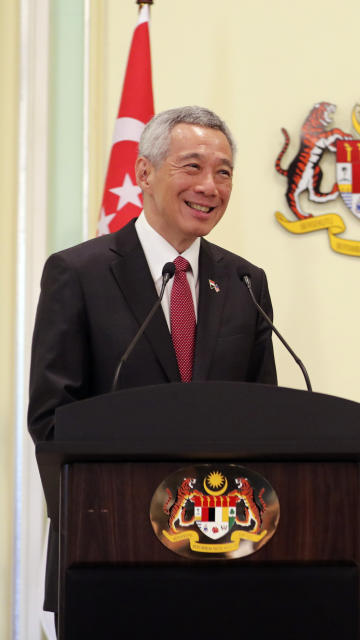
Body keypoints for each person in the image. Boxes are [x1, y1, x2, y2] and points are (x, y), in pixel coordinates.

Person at [27, 105, 277, 613]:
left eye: (224, 172)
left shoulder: (245, 282)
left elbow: (265, 418)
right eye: (192, 166)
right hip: (108, 550)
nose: (210, 185)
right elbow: (52, 419)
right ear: (144, 171)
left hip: (226, 555)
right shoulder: (79, 273)